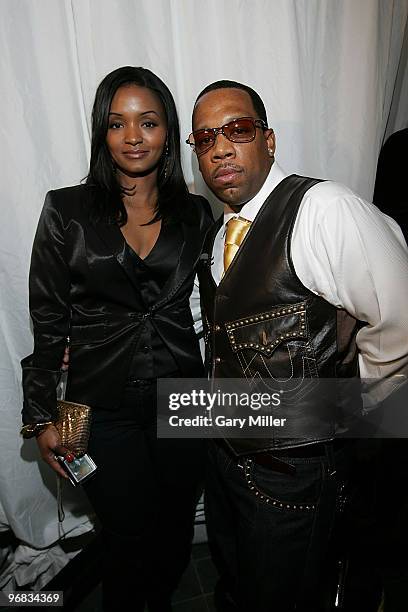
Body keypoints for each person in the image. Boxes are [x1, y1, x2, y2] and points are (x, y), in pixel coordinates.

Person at [185, 80, 408, 611]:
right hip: (226, 461)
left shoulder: (324, 209)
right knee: (239, 584)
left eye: (238, 129)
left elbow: (399, 324)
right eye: (204, 138)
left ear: (269, 140)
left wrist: (354, 415)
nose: (220, 147)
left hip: (294, 475)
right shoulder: (219, 238)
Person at [20, 66, 212, 612]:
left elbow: (220, 304)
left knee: (175, 525)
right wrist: (40, 417)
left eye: (148, 123)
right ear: (101, 134)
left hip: (184, 396)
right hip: (94, 406)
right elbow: (48, 318)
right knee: (127, 534)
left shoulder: (196, 213)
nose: (133, 137)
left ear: (168, 133)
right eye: (117, 123)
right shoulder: (67, 210)